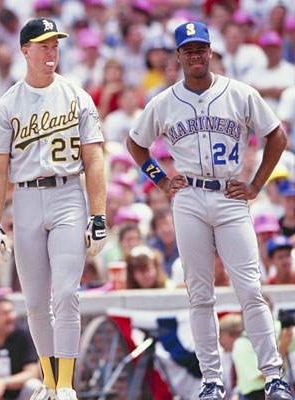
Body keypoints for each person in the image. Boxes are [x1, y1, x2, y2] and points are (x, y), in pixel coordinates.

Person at [126, 21, 291, 399]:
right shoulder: (164, 101)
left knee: (250, 289)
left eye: (201, 48)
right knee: (199, 294)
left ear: (211, 52)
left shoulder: (240, 93)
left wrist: (256, 185)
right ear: (179, 56)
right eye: (188, 50)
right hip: (189, 196)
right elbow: (136, 145)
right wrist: (162, 181)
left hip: (231, 196)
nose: (196, 55)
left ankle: (273, 377)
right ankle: (212, 380)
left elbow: (277, 136)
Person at [0, 18, 106, 400]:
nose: (51, 52)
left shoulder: (77, 95)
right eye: (43, 45)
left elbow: (95, 159)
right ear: (25, 50)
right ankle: (51, 383)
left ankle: (66, 384)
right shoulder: (7, 104)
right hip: (26, 198)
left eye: (55, 45)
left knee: (67, 293)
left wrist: (98, 214)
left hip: (68, 193)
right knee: (35, 301)